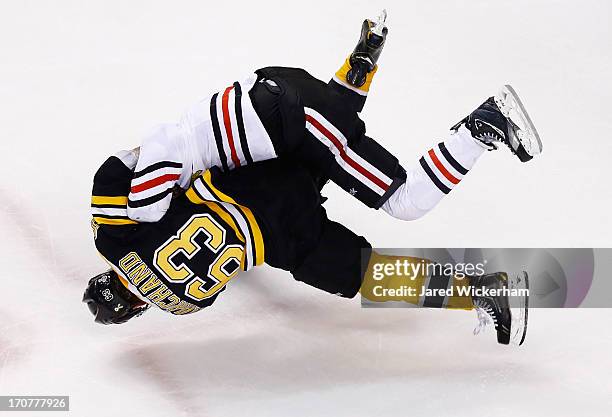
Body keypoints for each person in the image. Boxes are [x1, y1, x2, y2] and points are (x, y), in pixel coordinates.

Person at [84, 11, 539, 345]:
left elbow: (209, 267)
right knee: (332, 152)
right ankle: (360, 71)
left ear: (137, 307)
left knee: (374, 269)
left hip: (283, 233)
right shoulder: (112, 240)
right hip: (250, 174)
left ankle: (482, 135)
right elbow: (128, 165)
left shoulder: (182, 306)